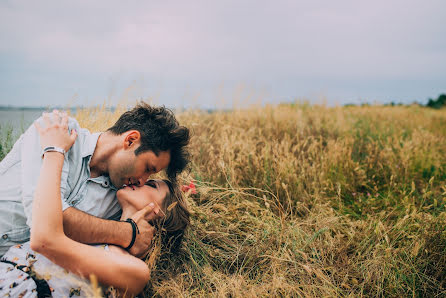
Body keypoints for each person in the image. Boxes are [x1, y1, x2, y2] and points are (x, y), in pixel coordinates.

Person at [0, 112, 190, 296]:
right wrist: (127, 232)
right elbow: (45, 219)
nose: (142, 181)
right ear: (130, 140)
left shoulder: (119, 198)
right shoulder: (59, 132)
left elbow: (50, 233)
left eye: (150, 179)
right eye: (147, 169)